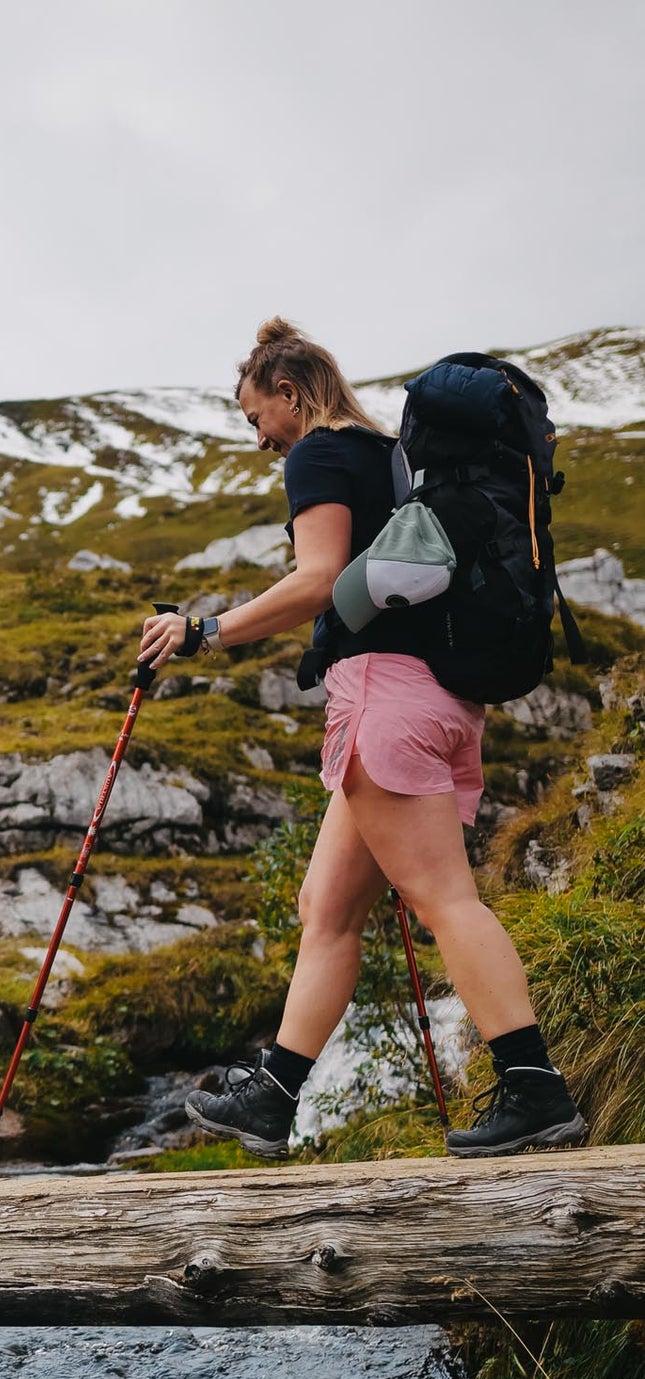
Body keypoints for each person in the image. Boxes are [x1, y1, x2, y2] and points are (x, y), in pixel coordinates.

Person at [138, 318, 586, 1160]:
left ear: (287, 392)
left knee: (444, 901)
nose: (257, 439)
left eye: (253, 417)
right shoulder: (394, 457)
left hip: (386, 699)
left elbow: (316, 580)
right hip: (442, 702)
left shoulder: (318, 452)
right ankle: (274, 1095)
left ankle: (534, 1088)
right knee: (327, 909)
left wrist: (203, 632)